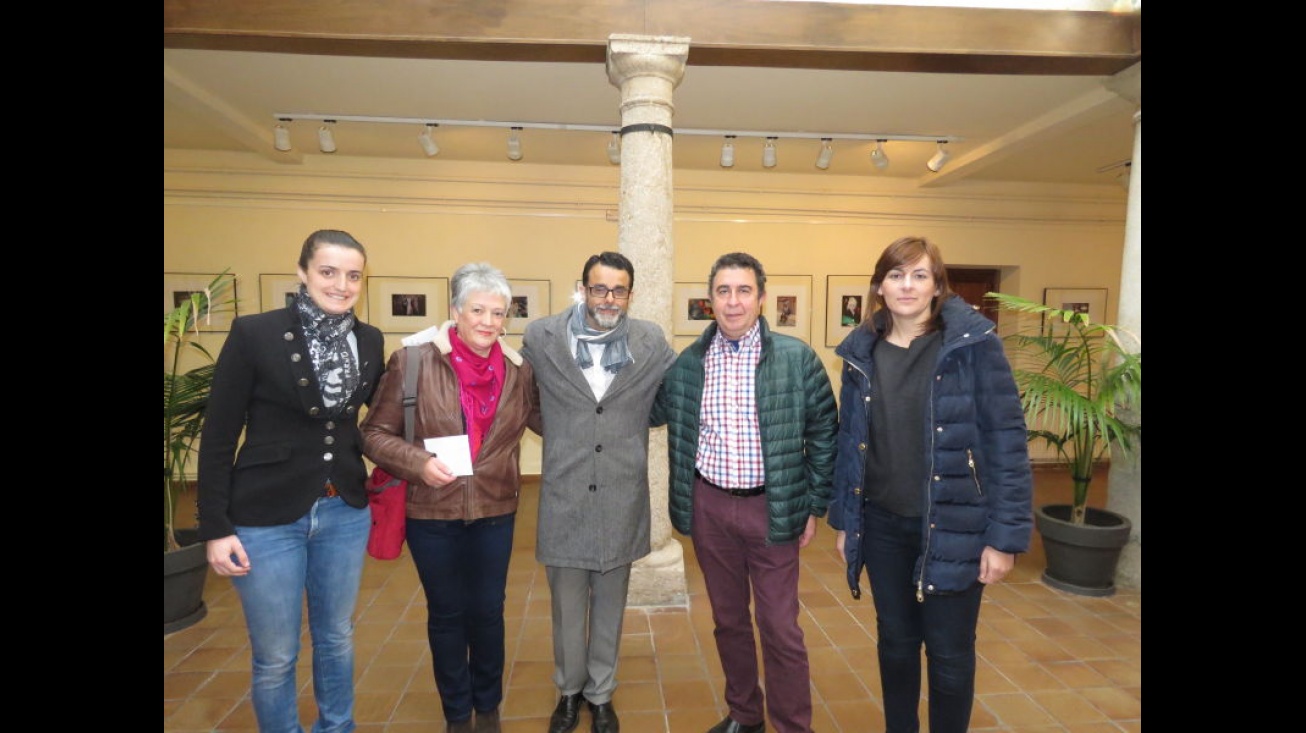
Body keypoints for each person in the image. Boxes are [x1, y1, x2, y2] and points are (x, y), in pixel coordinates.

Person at [828, 236, 1033, 733]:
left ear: (938, 285)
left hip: (955, 524)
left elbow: (1007, 442)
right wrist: (846, 522)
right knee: (895, 645)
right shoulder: (861, 351)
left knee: (948, 655)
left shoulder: (973, 346)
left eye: (920, 275)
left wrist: (1003, 540)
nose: (907, 286)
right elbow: (850, 440)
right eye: (897, 275)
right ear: (879, 286)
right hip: (881, 525)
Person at [197, 229, 386, 733]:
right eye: (328, 272)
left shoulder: (369, 340)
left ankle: (336, 726)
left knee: (336, 638)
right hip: (265, 517)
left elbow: (386, 417)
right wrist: (215, 527)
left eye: (352, 275)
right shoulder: (255, 333)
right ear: (303, 272)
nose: (341, 285)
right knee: (277, 654)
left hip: (344, 511)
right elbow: (218, 437)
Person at [651, 252, 837, 733]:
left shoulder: (796, 359)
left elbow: (823, 434)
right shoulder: (689, 364)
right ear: (709, 300)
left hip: (771, 510)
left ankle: (793, 725)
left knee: (780, 628)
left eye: (743, 291)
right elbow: (648, 411)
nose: (733, 302)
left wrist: (813, 506)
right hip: (710, 507)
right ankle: (744, 714)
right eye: (723, 291)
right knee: (729, 621)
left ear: (761, 298)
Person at [361, 262, 542, 733]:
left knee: (488, 612)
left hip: (496, 510)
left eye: (498, 313)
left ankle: (489, 707)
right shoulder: (413, 360)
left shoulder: (520, 370)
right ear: (455, 311)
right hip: (431, 513)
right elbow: (374, 434)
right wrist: (417, 461)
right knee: (447, 614)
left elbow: (555, 424)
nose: (488, 321)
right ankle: (457, 713)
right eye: (477, 309)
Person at [520, 251, 676, 733]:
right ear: (583, 288)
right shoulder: (542, 338)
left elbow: (671, 399)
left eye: (619, 290)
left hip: (621, 494)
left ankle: (601, 693)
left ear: (630, 293)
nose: (608, 299)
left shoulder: (650, 341)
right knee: (567, 605)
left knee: (610, 602)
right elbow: (524, 401)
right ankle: (569, 691)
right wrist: (570, 440)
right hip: (565, 493)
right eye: (599, 288)